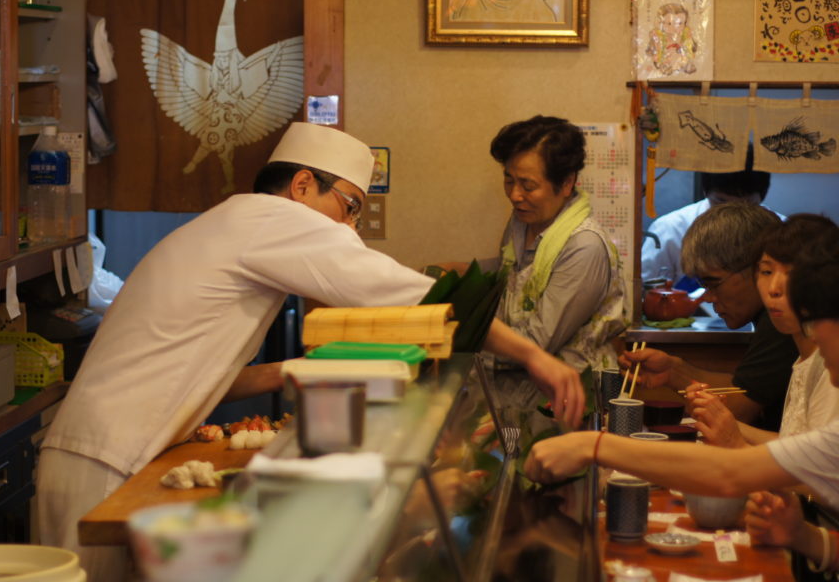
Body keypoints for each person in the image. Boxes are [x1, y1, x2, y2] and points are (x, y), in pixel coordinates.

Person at [36, 121, 584, 580]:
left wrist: (291, 372)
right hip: (105, 460)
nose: (349, 227)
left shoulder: (236, 224)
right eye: (349, 207)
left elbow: (205, 377)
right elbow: (414, 297)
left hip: (95, 451)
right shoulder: (271, 219)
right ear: (302, 185)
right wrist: (536, 357)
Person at [524, 227, 839, 574]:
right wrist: (805, 537)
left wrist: (592, 445)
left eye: (823, 341)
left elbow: (732, 473)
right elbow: (800, 458)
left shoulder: (813, 360)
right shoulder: (806, 358)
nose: (775, 288)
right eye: (766, 272)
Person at [623, 201, 797, 431]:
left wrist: (679, 376)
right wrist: (674, 371)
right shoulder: (768, 316)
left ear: (756, 268)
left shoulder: (784, 320)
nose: (708, 297)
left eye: (713, 283)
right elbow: (743, 389)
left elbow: (739, 409)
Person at [482, 115, 628, 378]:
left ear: (566, 183)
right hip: (521, 388)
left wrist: (463, 339)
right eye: (509, 181)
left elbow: (537, 342)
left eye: (528, 185)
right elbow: (514, 275)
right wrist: (458, 271)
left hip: (572, 393)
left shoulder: (584, 246)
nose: (515, 195)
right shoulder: (522, 220)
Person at [690, 214, 839, 448]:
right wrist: (728, 425)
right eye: (767, 272)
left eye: (791, 273)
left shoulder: (826, 352)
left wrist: (736, 442)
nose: (774, 289)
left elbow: (821, 474)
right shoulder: (803, 351)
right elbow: (797, 445)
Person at [641, 144, 772, 291]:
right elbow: (646, 291)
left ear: (763, 195)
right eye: (721, 202)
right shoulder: (671, 230)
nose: (732, 214)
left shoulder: (778, 231)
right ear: (705, 191)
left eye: (746, 204)